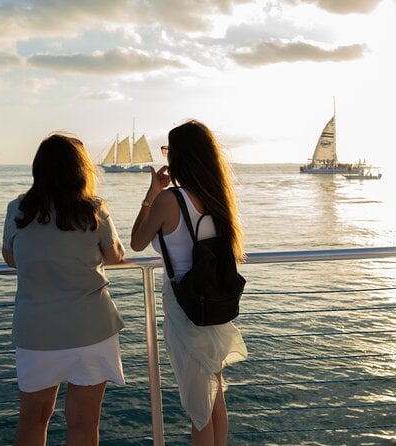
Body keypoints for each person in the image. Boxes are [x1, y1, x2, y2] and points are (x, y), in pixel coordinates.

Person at [2, 133, 126, 446]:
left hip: (36, 332)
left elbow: (12, 258)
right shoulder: (93, 209)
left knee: (33, 420)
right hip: (91, 329)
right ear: (81, 170)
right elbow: (115, 256)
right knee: (84, 425)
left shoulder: (18, 209)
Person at [130, 120, 248, 445]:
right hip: (215, 307)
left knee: (199, 408)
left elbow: (137, 241)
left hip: (186, 310)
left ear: (180, 156)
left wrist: (151, 192)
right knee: (215, 395)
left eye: (168, 150)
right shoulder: (217, 198)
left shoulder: (170, 200)